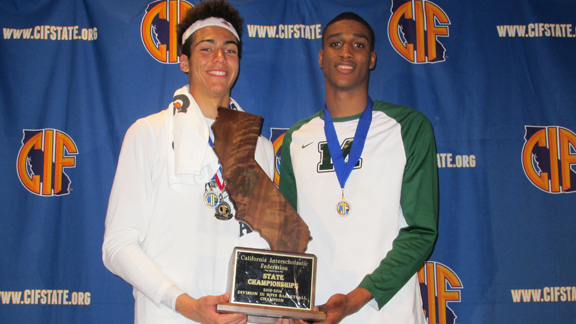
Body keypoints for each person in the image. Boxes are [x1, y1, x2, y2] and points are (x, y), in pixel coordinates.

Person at [102, 1, 274, 323]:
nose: (219, 58)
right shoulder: (149, 134)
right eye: (206, 48)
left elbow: (261, 245)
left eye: (230, 49)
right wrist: (185, 304)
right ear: (184, 60)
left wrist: (275, 308)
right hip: (171, 316)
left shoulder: (260, 147)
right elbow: (117, 245)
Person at [278, 12, 438, 324]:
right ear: (322, 58)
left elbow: (421, 232)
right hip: (313, 312)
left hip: (388, 312)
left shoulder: (408, 128)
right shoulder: (297, 137)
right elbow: (286, 235)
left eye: (359, 44)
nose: (347, 52)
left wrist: (355, 299)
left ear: (372, 58)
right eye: (336, 43)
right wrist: (288, 302)